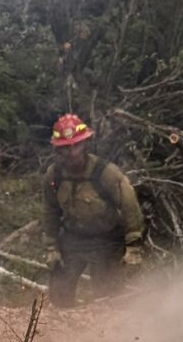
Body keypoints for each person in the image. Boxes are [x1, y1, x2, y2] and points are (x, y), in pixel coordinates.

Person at [42, 114, 145, 307]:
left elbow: (129, 206)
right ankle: (63, 333)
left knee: (108, 297)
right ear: (58, 149)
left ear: (85, 144)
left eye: (76, 146)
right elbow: (50, 211)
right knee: (59, 293)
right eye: (65, 148)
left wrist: (134, 247)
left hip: (106, 240)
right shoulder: (53, 176)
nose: (72, 153)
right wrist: (52, 248)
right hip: (73, 238)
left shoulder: (105, 172)